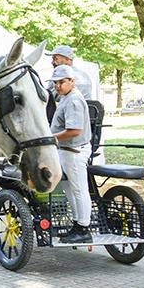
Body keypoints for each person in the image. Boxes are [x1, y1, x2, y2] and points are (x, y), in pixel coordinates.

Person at [50, 65, 92, 244]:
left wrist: (49, 138)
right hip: (66, 152)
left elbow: (74, 130)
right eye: (55, 83)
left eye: (61, 82)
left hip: (74, 152)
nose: (58, 86)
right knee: (69, 189)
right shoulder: (66, 98)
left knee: (79, 189)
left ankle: (83, 228)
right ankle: (76, 224)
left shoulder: (74, 100)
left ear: (72, 81)